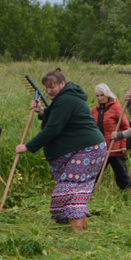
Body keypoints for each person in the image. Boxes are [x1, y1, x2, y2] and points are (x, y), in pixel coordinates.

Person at [16, 68, 107, 230]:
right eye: (47, 88)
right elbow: (57, 116)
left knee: (68, 193)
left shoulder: (66, 100)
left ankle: (77, 234)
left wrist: (28, 146)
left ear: (62, 83)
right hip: (88, 147)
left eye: (53, 86)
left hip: (87, 149)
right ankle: (81, 229)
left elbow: (53, 128)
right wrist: (42, 111)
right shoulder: (63, 99)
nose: (49, 91)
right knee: (75, 192)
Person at [92, 83, 131, 190]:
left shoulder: (116, 108)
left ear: (107, 94)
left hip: (115, 148)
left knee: (122, 175)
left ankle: (126, 196)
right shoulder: (94, 111)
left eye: (102, 95)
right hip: (100, 149)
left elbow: (126, 127)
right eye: (97, 96)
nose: (100, 98)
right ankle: (90, 196)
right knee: (94, 174)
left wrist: (124, 145)